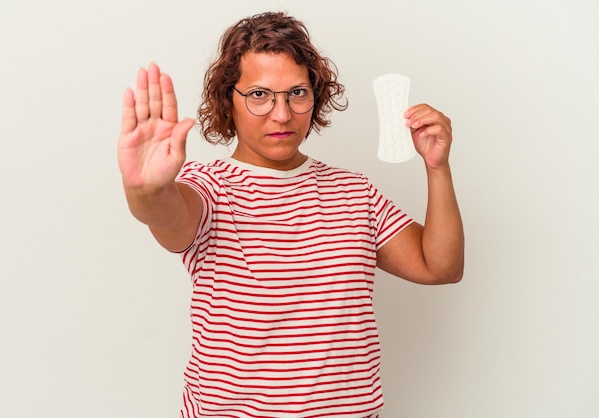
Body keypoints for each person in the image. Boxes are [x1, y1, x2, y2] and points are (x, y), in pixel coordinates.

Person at [118, 11, 464, 418]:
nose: (281, 114)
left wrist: (437, 167)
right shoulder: (209, 189)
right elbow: (167, 216)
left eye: (296, 93)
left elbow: (439, 266)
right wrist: (146, 189)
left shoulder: (354, 192)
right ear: (228, 100)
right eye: (259, 95)